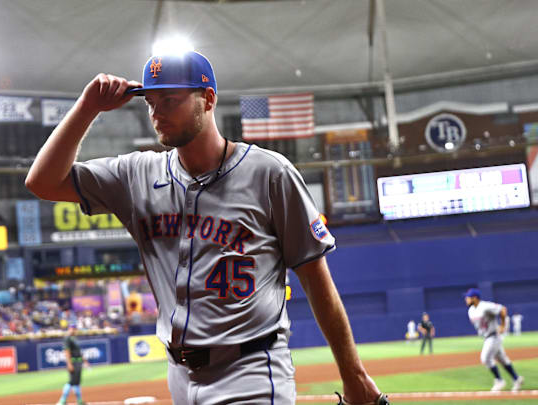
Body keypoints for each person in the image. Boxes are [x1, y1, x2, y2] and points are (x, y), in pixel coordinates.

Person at [26, 50, 386, 405]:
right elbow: (42, 182)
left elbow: (315, 277)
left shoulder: (269, 174)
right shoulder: (135, 175)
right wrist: (87, 109)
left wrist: (353, 375)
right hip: (179, 375)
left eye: (169, 100)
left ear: (208, 99)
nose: (156, 113)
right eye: (150, 102)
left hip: (251, 371)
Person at [464, 288, 524, 392]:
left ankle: (499, 380)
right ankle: (516, 379)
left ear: (475, 298)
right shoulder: (471, 310)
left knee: (485, 358)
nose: (466, 299)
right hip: (486, 337)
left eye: (468, 297)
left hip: (493, 336)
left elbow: (502, 309)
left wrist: (503, 325)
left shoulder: (485, 306)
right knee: (502, 359)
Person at [57, 324, 87, 405]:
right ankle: (62, 400)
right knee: (71, 382)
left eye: (74, 329)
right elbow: (67, 351)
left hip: (78, 361)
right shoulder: (67, 339)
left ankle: (79, 400)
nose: (73, 330)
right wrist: (69, 364)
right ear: (69, 329)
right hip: (73, 362)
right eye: (72, 328)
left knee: (76, 382)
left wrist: (84, 361)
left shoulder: (74, 338)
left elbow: (78, 352)